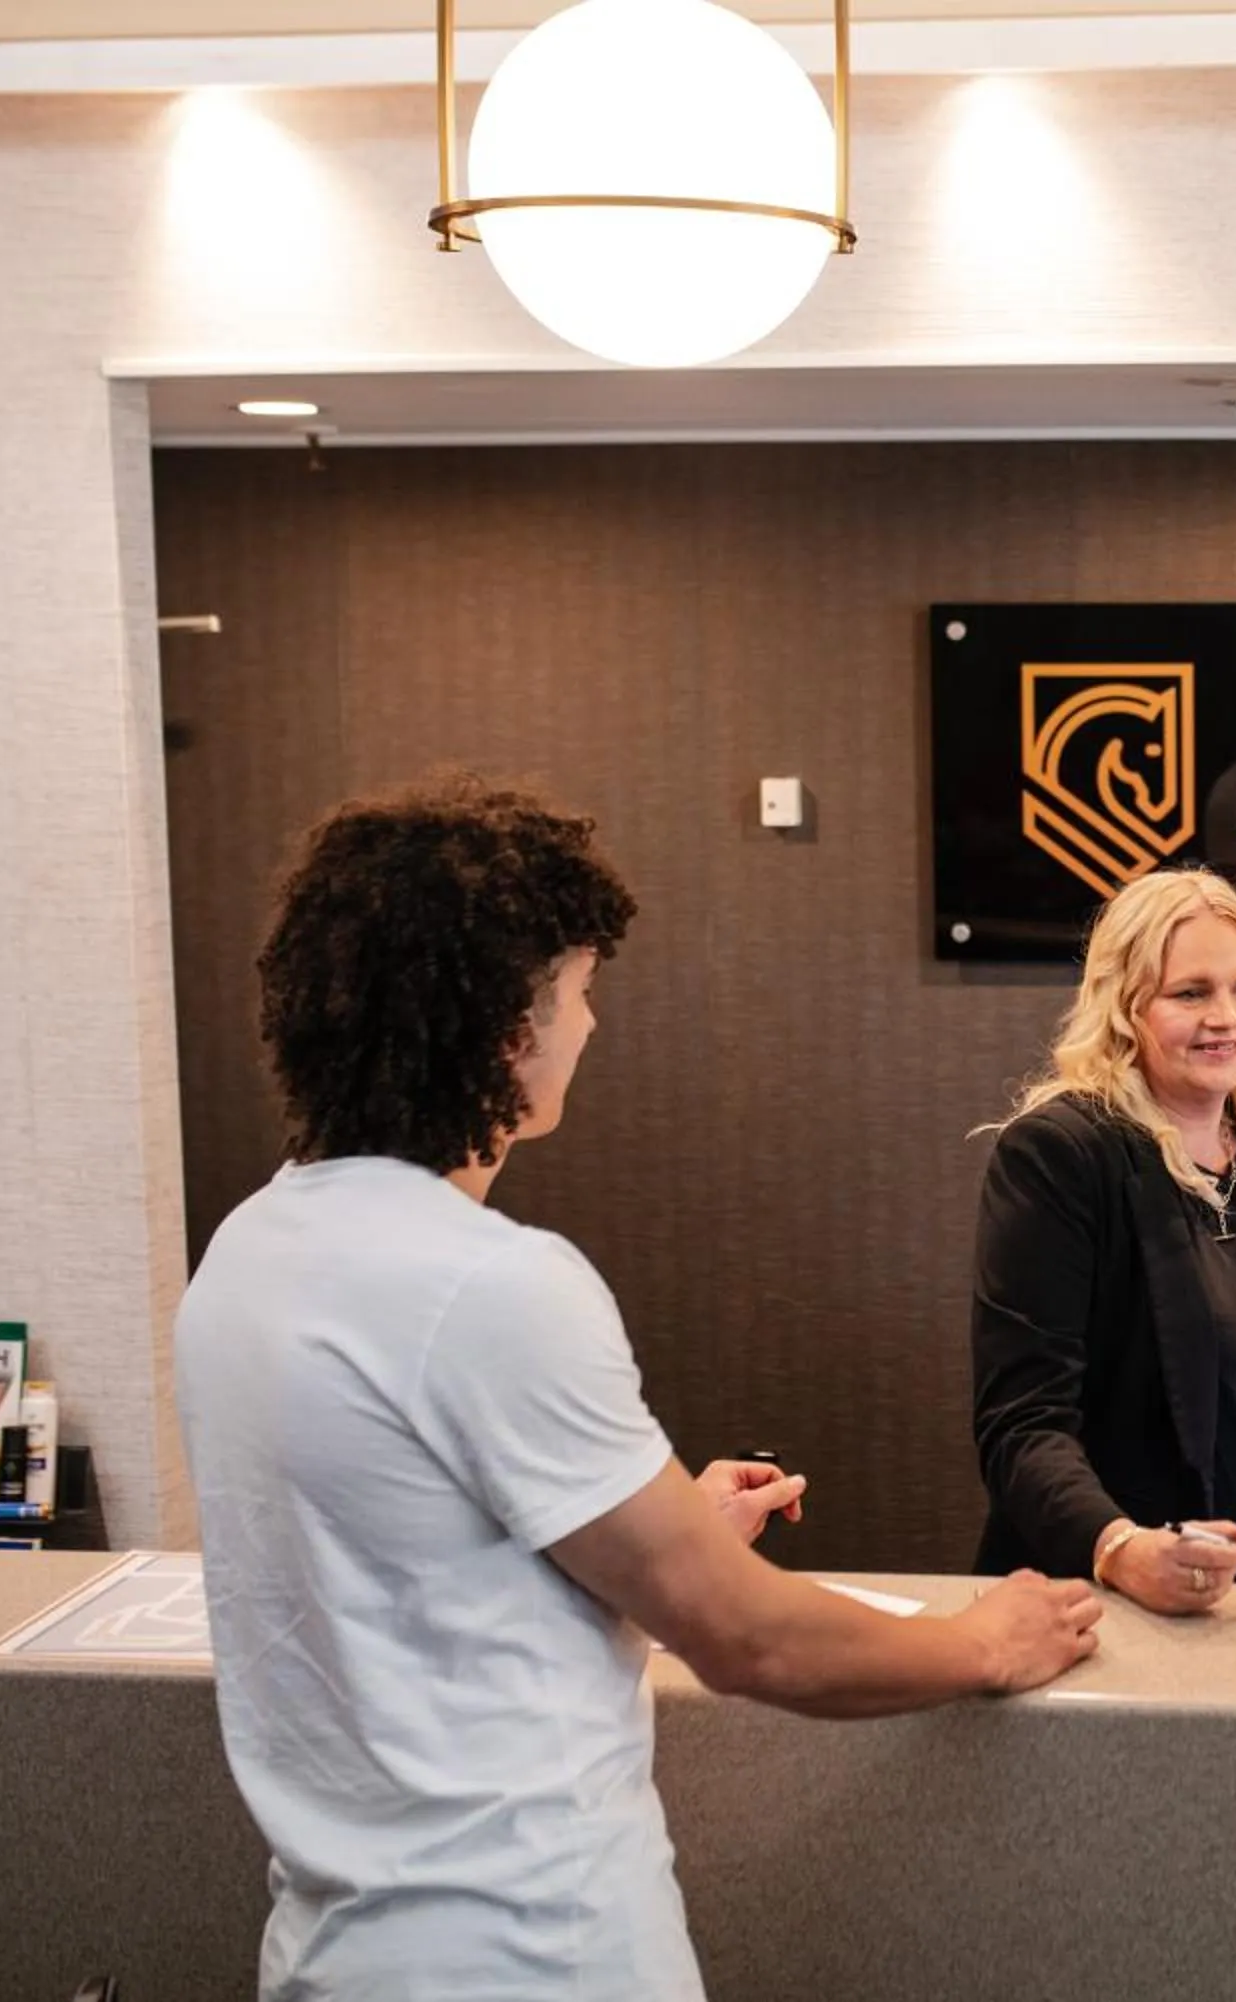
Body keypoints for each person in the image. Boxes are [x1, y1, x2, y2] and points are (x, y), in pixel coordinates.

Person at [175, 776, 1101, 2001]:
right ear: (504, 1025)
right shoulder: (493, 1283)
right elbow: (749, 1640)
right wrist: (983, 1639)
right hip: (530, 1958)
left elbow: (401, 1562)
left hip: (335, 1956)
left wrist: (665, 1523)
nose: (591, 1024)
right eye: (577, 990)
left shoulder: (248, 1253)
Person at [971, 864, 1236, 1610]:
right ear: (1124, 1008)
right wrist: (1120, 1548)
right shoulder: (1061, 1153)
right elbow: (1022, 1426)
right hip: (1134, 1603)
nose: (1227, 1017)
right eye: (1191, 993)